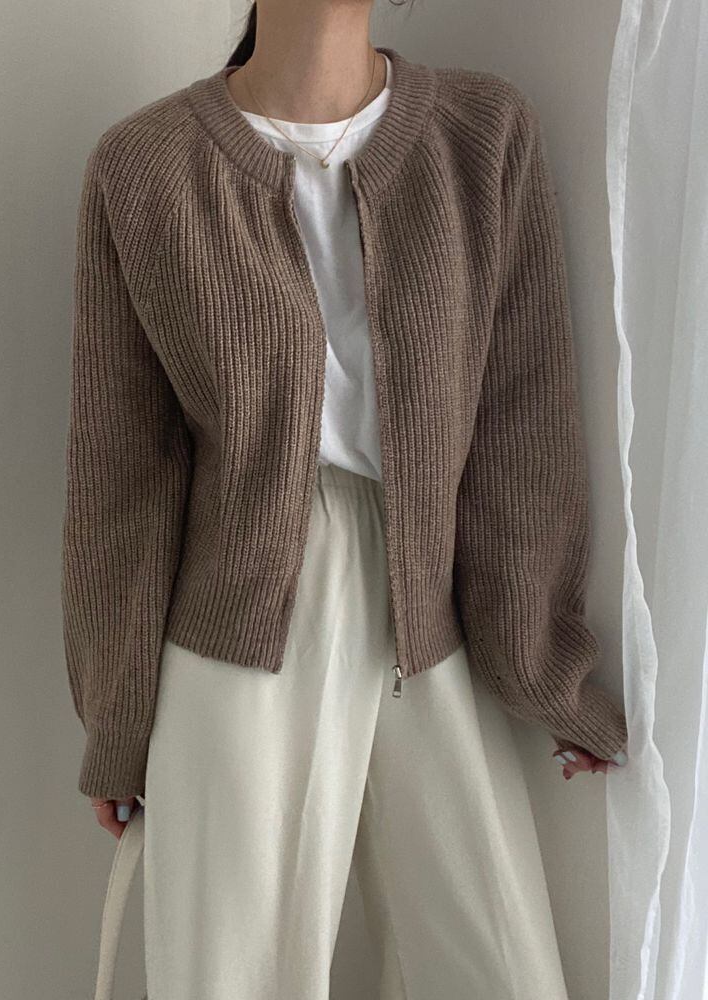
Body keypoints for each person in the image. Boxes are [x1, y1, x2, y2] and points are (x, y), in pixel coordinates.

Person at [60, 3, 630, 996]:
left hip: (426, 609)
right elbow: (123, 470)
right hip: (237, 624)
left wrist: (546, 670)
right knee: (228, 974)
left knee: (496, 965)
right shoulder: (146, 166)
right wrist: (118, 719)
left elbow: (521, 420)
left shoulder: (481, 133)